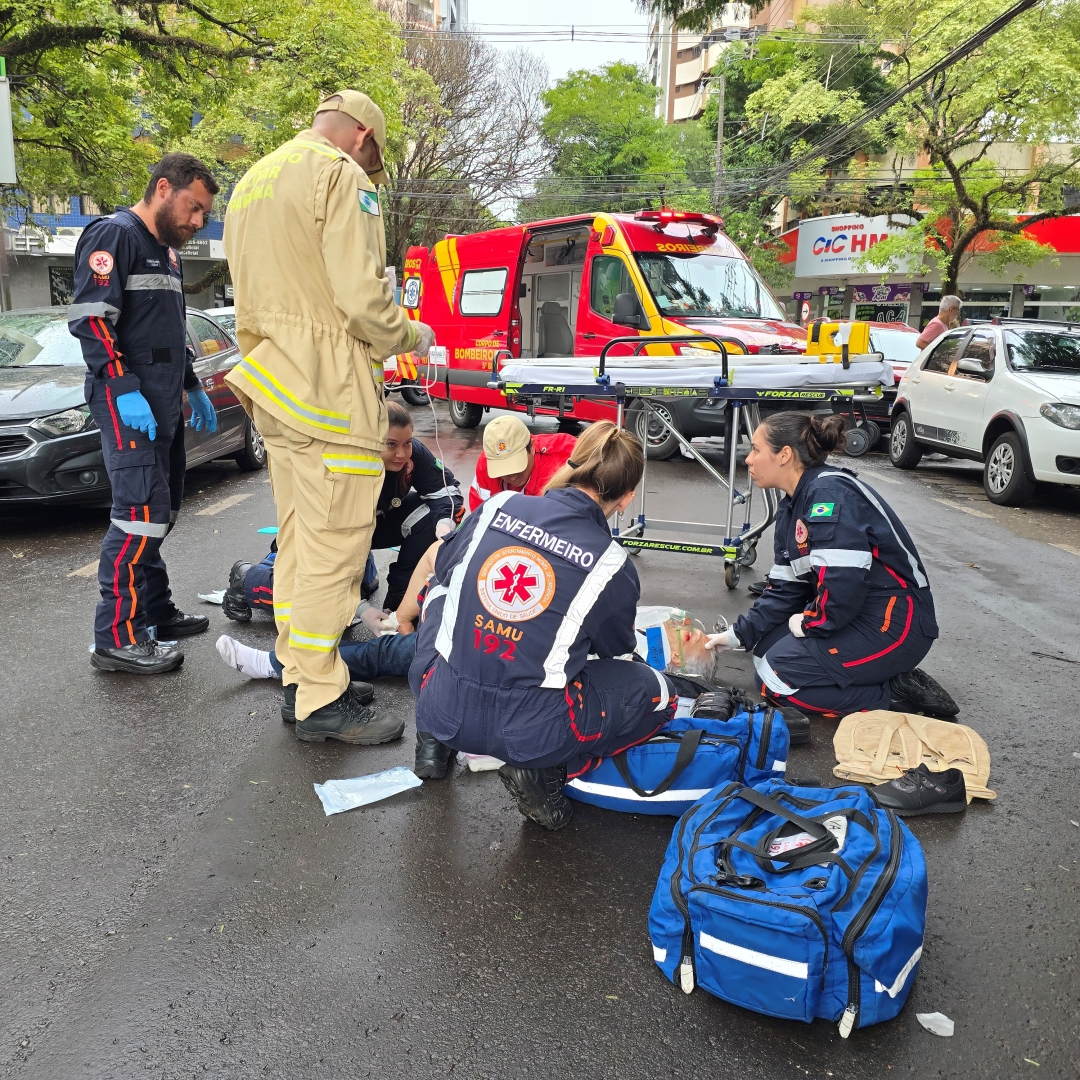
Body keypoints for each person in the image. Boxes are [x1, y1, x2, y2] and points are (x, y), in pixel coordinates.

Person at [223, 89, 435, 745]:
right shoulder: (340, 175)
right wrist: (414, 333)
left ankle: (303, 676)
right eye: (374, 160)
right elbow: (365, 304)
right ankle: (319, 699)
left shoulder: (252, 182)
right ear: (363, 137)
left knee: (298, 544)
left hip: (273, 382)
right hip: (328, 391)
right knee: (334, 553)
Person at [408, 421, 685, 831]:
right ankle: (551, 771)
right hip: (533, 735)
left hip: (442, 703)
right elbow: (613, 652)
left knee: (440, 593)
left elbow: (446, 567)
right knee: (660, 693)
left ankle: (432, 737)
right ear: (626, 499)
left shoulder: (499, 505)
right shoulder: (611, 564)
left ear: (570, 467)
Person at [71, 153, 220, 674]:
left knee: (163, 512)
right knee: (139, 518)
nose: (198, 221)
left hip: (163, 401)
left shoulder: (169, 254)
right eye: (194, 208)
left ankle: (152, 609)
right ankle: (116, 638)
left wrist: (192, 385)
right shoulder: (113, 236)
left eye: (203, 214)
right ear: (163, 188)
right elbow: (92, 322)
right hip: (127, 402)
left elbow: (170, 331)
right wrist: (121, 386)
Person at [705, 412, 958, 720]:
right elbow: (786, 590)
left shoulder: (828, 494)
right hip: (856, 613)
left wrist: (812, 623)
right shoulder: (792, 505)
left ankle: (892, 694)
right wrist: (737, 636)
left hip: (895, 623)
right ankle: (872, 678)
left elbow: (843, 586)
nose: (749, 459)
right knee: (761, 655)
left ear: (784, 455)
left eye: (757, 450)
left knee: (776, 679)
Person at [221, 401, 463, 621]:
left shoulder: (413, 454)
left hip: (365, 529)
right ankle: (247, 580)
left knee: (429, 515)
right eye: (390, 444)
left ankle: (398, 602)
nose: (401, 454)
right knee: (320, 601)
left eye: (407, 443)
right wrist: (357, 608)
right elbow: (332, 537)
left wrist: (443, 524)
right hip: (322, 537)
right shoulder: (347, 467)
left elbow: (446, 492)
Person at [467, 414, 577, 511]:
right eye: (503, 470)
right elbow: (480, 516)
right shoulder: (485, 465)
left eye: (518, 467)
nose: (513, 477)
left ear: (532, 447)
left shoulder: (567, 456)